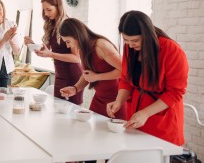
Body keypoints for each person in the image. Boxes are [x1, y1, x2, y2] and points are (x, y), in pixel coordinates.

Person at [106, 10, 188, 146]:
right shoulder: (130, 48)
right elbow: (126, 80)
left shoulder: (171, 50)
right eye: (125, 40)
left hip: (162, 119)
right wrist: (119, 101)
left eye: (135, 40)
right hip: (136, 115)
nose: (130, 45)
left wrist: (145, 113)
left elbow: (175, 92)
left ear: (147, 34)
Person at [59, 18, 126, 119]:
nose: (68, 46)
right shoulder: (82, 49)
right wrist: (75, 88)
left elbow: (124, 71)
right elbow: (87, 74)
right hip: (99, 98)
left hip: (116, 100)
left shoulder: (101, 45)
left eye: (68, 41)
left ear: (77, 35)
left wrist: (97, 77)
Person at [24, 0, 83, 105]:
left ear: (58, 7)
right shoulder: (51, 25)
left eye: (49, 9)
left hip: (73, 77)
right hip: (59, 75)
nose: (46, 13)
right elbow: (49, 50)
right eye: (44, 10)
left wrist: (50, 54)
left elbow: (76, 58)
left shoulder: (69, 25)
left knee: (70, 112)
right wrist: (33, 44)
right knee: (58, 112)